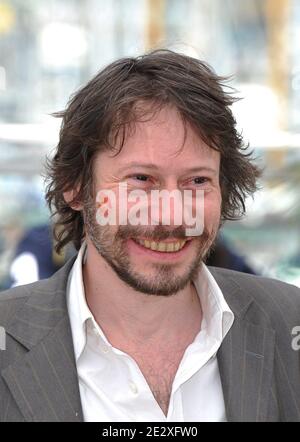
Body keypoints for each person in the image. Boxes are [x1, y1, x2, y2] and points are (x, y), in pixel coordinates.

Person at [0, 49, 300, 422]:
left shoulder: (290, 323)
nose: (171, 215)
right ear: (75, 187)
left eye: (197, 181)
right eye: (141, 179)